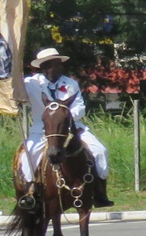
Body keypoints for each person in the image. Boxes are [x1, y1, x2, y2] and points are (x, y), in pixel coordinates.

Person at [19, 48, 113, 208]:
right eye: (51, 65)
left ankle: (99, 192)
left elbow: (80, 108)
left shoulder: (71, 84)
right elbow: (16, 93)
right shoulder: (30, 84)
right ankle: (30, 191)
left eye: (58, 64)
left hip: (71, 127)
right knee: (28, 155)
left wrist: (63, 116)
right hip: (42, 129)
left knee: (100, 150)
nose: (57, 68)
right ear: (43, 67)